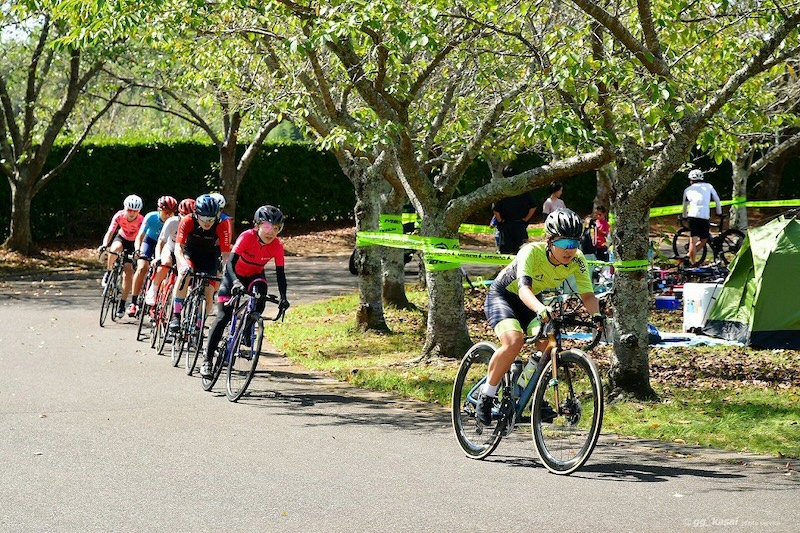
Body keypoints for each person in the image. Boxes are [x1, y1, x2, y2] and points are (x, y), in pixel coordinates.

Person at [476, 208, 603, 426]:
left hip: (532, 300)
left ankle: (530, 389)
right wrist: (541, 309)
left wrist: (598, 317)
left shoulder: (578, 260)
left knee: (547, 343)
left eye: (574, 244)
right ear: (550, 240)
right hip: (505, 296)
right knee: (514, 341)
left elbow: (588, 294)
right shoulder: (531, 252)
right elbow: (524, 289)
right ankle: (486, 395)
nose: (569, 250)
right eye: (564, 244)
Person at [200, 205, 290, 378]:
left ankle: (248, 325)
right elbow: (230, 264)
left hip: (255, 275)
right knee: (223, 316)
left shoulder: (277, 245)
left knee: (261, 293)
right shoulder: (247, 237)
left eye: (276, 229)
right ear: (257, 225)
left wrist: (284, 297)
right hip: (234, 276)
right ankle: (207, 360)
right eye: (266, 227)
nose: (271, 232)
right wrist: (234, 282)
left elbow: (280, 274)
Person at [168, 194, 232, 333]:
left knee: (209, 291)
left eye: (211, 218)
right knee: (185, 275)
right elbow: (179, 247)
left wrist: (228, 270)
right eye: (203, 218)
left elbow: (225, 254)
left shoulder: (223, 223)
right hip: (190, 252)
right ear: (196, 214)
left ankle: (199, 323)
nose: (207, 222)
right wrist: (183, 263)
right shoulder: (187, 220)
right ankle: (176, 315)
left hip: (210, 255)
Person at [128, 196, 177, 316]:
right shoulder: (151, 217)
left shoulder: (174, 222)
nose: (168, 215)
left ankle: (157, 302)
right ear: (159, 210)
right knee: (142, 267)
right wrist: (138, 250)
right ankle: (133, 303)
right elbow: (140, 236)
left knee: (165, 271)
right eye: (166, 212)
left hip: (165, 245)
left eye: (171, 213)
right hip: (149, 242)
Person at [98, 194, 144, 318]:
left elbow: (142, 236)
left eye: (135, 211)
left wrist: (138, 251)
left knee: (128, 272)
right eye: (129, 210)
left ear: (139, 211)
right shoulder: (119, 216)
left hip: (134, 243)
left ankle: (122, 304)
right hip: (122, 238)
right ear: (125, 209)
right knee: (114, 249)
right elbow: (111, 231)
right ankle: (109, 272)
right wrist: (104, 244)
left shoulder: (141, 220)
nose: (132, 213)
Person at [144, 198, 195, 308]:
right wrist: (158, 258)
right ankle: (154, 288)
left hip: (183, 252)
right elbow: (161, 242)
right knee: (166, 263)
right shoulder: (172, 222)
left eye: (189, 216)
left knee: (186, 271)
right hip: (170, 247)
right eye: (183, 215)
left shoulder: (195, 225)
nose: (185, 219)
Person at [492, 166, 538, 254]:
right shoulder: (523, 190)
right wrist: (526, 219)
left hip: (507, 225)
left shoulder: (503, 191)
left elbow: (496, 209)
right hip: (519, 225)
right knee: (522, 252)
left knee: (506, 253)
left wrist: (500, 221)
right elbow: (533, 206)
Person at [682, 169, 722, 265]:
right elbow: (717, 200)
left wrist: (684, 216)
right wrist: (719, 212)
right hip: (704, 216)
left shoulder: (688, 190)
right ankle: (689, 257)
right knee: (704, 239)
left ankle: (691, 260)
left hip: (692, 215)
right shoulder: (708, 186)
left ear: (691, 180)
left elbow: (685, 205)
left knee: (693, 240)